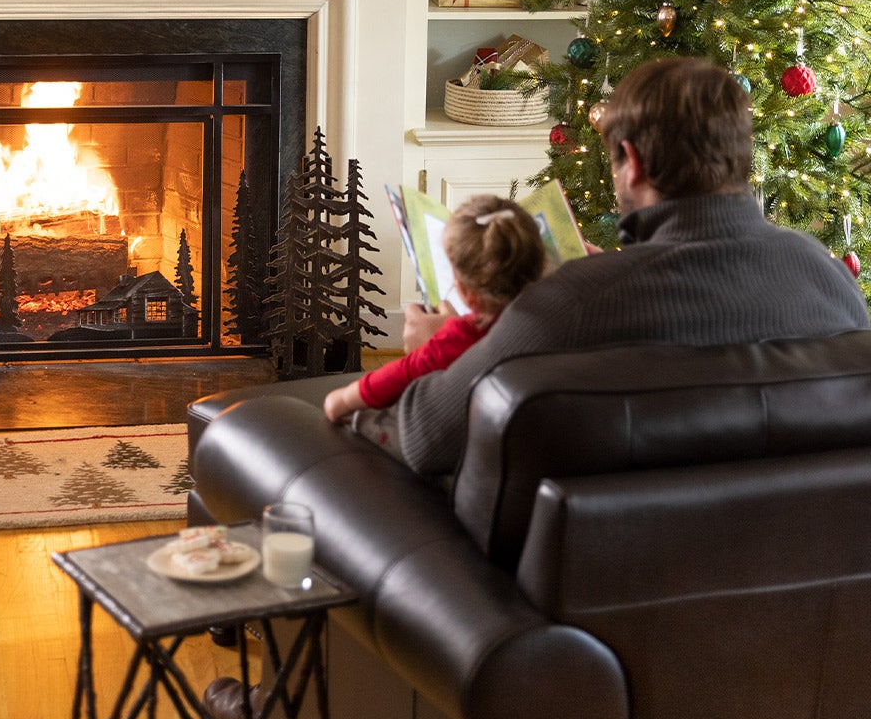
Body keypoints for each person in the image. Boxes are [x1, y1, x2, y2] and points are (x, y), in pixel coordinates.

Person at [395, 55, 871, 478]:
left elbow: (423, 436)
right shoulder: (826, 273)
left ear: (633, 161)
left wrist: (441, 344)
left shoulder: (574, 302)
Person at [322, 194, 546, 455]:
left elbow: (396, 376)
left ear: (464, 291)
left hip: (452, 448)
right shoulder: (546, 320)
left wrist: (339, 400)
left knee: (368, 417)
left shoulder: (459, 336)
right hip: (522, 442)